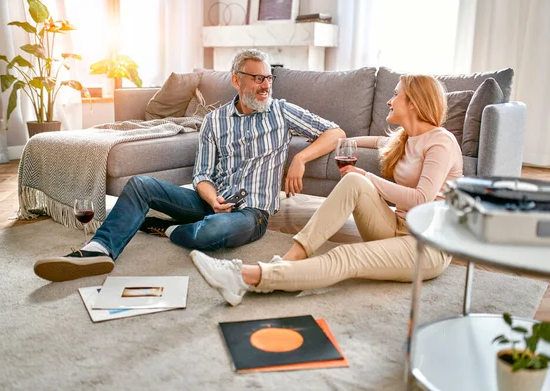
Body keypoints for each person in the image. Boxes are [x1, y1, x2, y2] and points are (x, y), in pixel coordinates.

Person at [33, 49, 346, 282]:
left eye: (269, 78)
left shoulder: (281, 111)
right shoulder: (214, 120)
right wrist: (212, 199)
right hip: (208, 202)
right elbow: (202, 175)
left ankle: (169, 229)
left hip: (252, 213)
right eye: (258, 78)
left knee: (212, 233)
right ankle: (99, 250)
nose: (266, 85)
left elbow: (335, 131)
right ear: (237, 80)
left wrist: (300, 159)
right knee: (140, 185)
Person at [189, 74, 463, 306]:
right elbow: (375, 141)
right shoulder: (406, 139)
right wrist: (336, 142)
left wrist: (365, 174)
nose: (389, 101)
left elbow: (422, 198)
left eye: (396, 95)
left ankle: (247, 277)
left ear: (414, 103)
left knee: (346, 255)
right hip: (395, 226)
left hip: (427, 244)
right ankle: (288, 260)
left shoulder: (441, 142)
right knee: (353, 182)